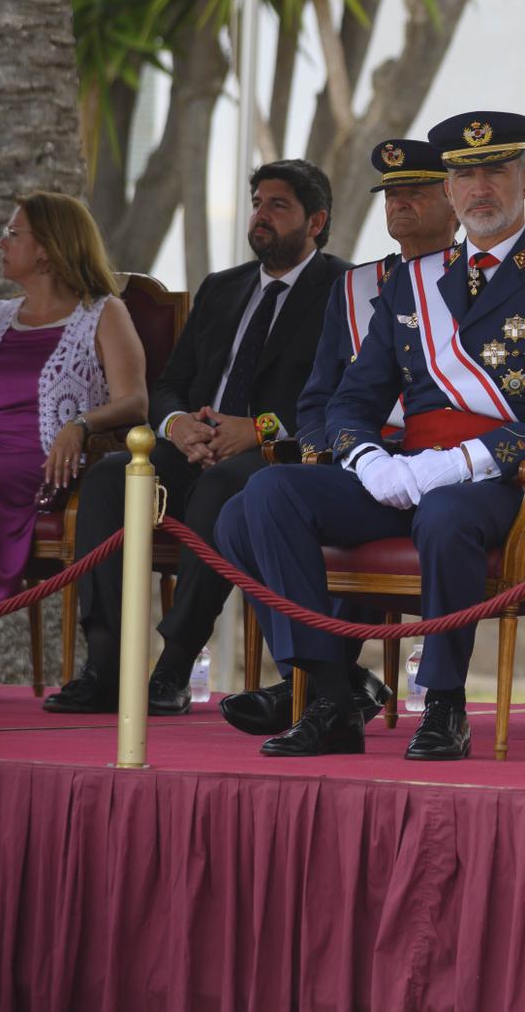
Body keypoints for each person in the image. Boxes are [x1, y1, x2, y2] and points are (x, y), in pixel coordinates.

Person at [221, 112, 525, 759]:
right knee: (268, 494)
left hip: (509, 484)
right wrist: (368, 457)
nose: (479, 186)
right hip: (408, 471)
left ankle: (445, 706)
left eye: (495, 170)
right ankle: (330, 693)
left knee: (446, 513)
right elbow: (351, 400)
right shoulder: (411, 282)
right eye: (464, 174)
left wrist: (461, 462)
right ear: (450, 191)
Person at [45, 161, 348, 715]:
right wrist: (177, 425)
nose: (260, 215)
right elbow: (170, 385)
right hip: (191, 445)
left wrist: (257, 429)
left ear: (316, 220)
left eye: (278, 205)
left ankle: (175, 664)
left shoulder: (342, 289)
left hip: (277, 455)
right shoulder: (222, 287)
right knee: (113, 476)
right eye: (258, 202)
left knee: (223, 489)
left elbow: (342, 396)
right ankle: (106, 664)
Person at [212, 138, 460, 736]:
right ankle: (333, 685)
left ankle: (321, 687)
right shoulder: (354, 286)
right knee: (238, 516)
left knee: (266, 501)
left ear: (454, 203)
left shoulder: (479, 279)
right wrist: (336, 448)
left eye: (416, 192)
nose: (399, 203)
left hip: (444, 469)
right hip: (362, 460)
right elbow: (319, 397)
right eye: (392, 194)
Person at [0, 194, 148, 699]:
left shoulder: (102, 314)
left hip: (47, 461)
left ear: (46, 251)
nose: (0, 242)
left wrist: (82, 422)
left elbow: (135, 401)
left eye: (12, 233)